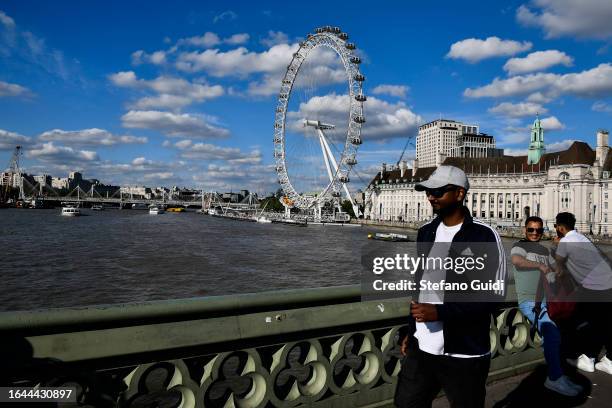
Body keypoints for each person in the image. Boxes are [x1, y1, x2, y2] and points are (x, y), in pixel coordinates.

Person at [394, 165, 506, 408]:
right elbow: (420, 286)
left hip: (463, 352)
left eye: (439, 191)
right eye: (428, 192)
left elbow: (493, 296)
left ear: (459, 193)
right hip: (421, 347)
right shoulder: (426, 232)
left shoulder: (483, 236)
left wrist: (440, 312)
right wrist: (409, 330)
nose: (431, 197)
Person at [510, 216, 582, 396]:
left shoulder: (544, 250)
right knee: (551, 333)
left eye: (539, 230)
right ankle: (554, 378)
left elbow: (557, 269)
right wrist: (541, 266)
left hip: (549, 301)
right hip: (530, 302)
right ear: (524, 230)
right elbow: (517, 261)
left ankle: (558, 374)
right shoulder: (519, 245)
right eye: (531, 230)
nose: (535, 233)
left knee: (558, 335)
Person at [553, 212, 612, 374]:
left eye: (555, 226)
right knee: (605, 323)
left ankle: (588, 358)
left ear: (560, 227)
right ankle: (609, 361)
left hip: (595, 287)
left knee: (588, 322)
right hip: (608, 282)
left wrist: (556, 246)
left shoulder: (565, 241)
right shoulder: (582, 238)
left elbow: (558, 268)